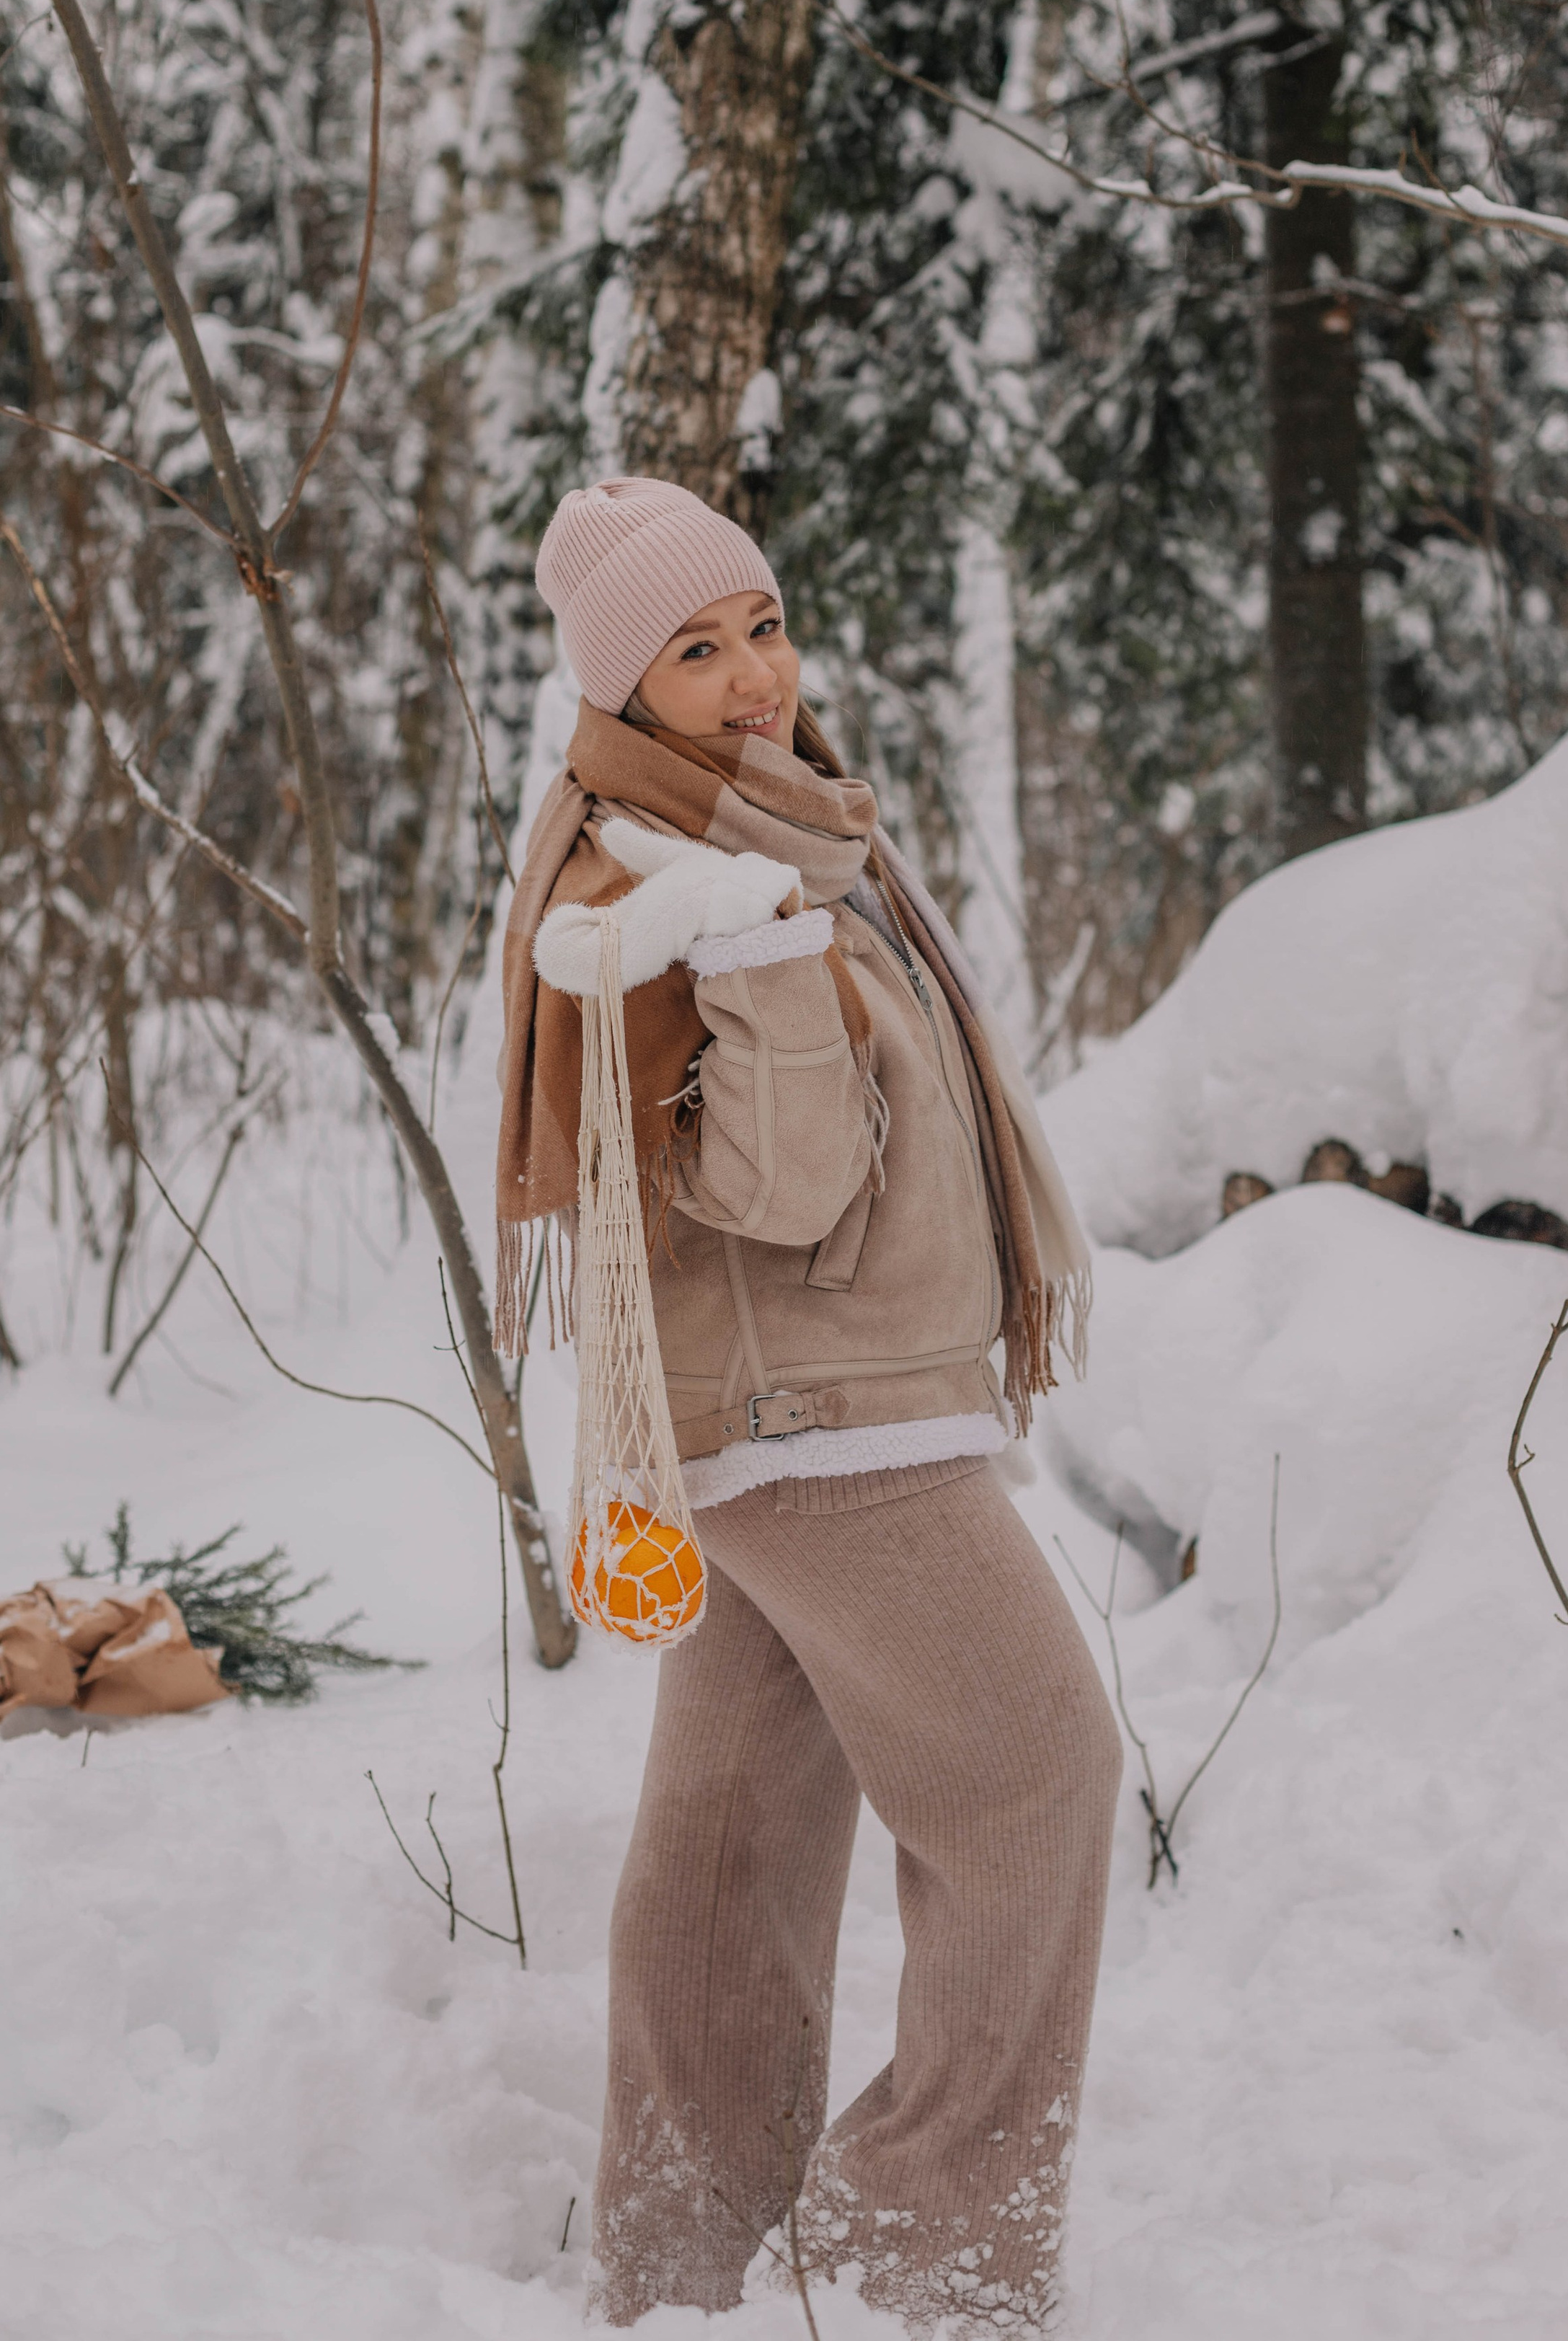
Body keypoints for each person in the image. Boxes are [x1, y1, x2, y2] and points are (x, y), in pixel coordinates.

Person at [497, 476, 1119, 2336]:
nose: (755, 674)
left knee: (738, 1824)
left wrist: (776, 912)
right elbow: (775, 1196)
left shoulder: (745, 823)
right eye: (694, 653)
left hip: (780, 1418)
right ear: (623, 689)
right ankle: (922, 2261)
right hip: (815, 1421)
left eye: (759, 621)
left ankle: (680, 2260)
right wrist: (763, 955)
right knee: (1037, 1770)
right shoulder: (657, 880)